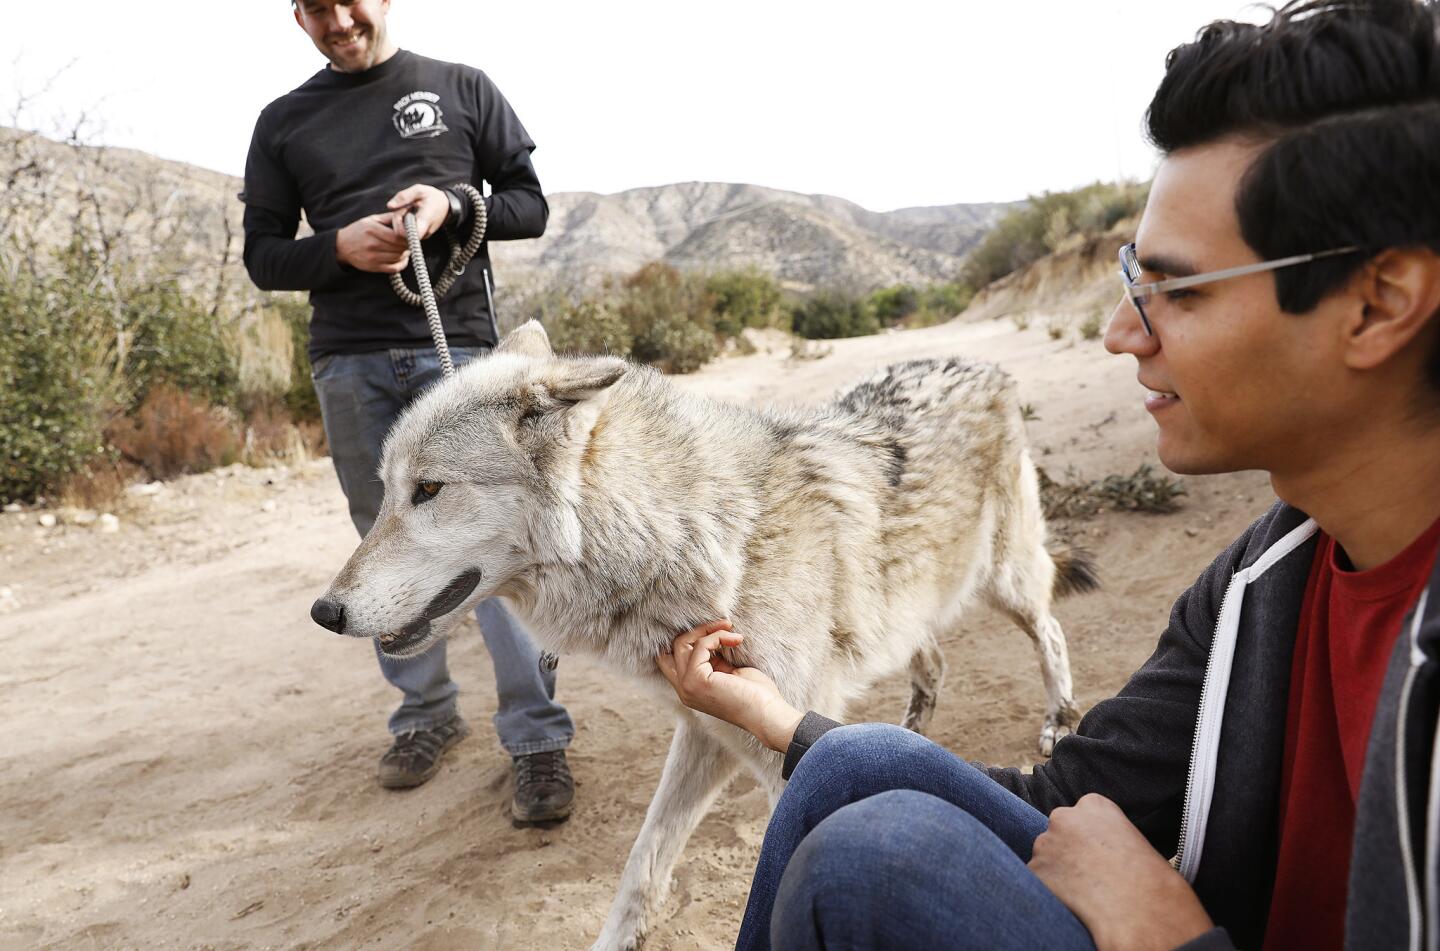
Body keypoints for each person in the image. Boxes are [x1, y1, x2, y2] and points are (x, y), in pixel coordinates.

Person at [657, 0, 1440, 946]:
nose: (1121, 332)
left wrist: (1167, 935)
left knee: (873, 859)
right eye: (1128, 282)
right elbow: (1070, 798)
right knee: (841, 778)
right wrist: (782, 719)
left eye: (1177, 290)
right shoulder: (1266, 577)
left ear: (1378, 303)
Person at [240, 0, 576, 825]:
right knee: (382, 544)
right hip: (349, 361)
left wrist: (453, 205)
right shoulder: (284, 121)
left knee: (488, 538)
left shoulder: (461, 87)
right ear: (297, 18)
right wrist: (338, 248)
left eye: (348, 0)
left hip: (458, 352)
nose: (336, 19)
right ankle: (425, 716)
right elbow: (262, 253)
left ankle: (536, 736)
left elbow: (530, 203)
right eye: (315, 8)